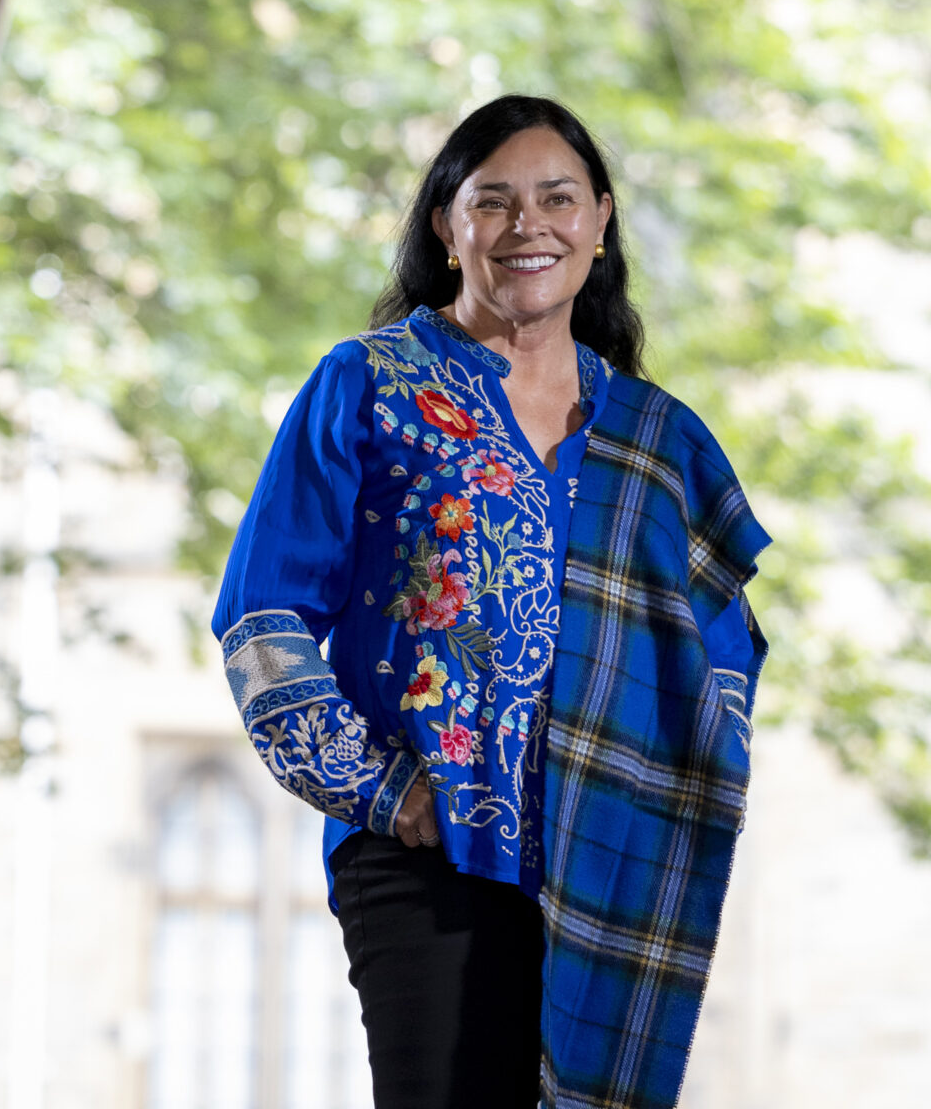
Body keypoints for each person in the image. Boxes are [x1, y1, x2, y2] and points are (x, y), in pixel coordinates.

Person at [211, 94, 770, 1109]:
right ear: (446, 224)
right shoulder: (368, 386)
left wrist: (656, 798)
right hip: (430, 860)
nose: (528, 227)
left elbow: (725, 644)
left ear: (599, 222)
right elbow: (262, 618)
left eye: (557, 199)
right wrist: (389, 795)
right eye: (494, 201)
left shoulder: (654, 437)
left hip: (605, 862)